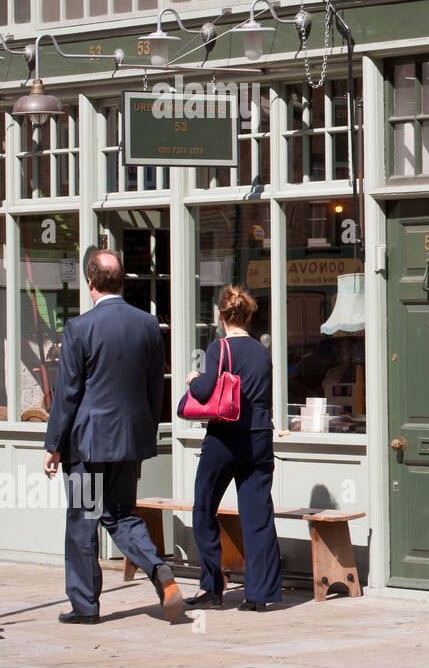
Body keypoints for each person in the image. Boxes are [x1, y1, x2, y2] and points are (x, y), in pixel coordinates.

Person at [42, 249, 182, 624]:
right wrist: (146, 432)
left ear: (90, 284)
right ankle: (157, 568)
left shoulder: (79, 328)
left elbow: (68, 393)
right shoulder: (149, 325)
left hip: (88, 446)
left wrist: (53, 445)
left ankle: (85, 607)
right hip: (128, 442)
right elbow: (156, 389)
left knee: (83, 522)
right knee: (121, 515)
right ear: (122, 282)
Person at [184, 285, 281, 611]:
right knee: (258, 515)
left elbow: (206, 389)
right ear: (250, 315)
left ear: (220, 317)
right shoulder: (261, 351)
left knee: (203, 508)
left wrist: (192, 379)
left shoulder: (218, 348)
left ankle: (212, 587)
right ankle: (259, 594)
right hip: (259, 438)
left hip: (224, 438)